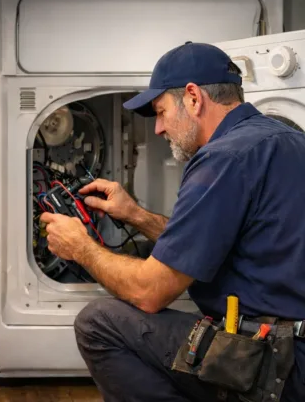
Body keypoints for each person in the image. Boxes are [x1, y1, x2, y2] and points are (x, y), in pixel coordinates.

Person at [40, 42, 305, 402]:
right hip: (293, 352)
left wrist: (81, 248)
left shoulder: (222, 158)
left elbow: (150, 292)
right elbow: (213, 242)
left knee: (99, 322)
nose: (159, 129)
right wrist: (135, 215)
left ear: (194, 98)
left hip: (275, 367)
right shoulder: (287, 140)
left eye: (161, 112)